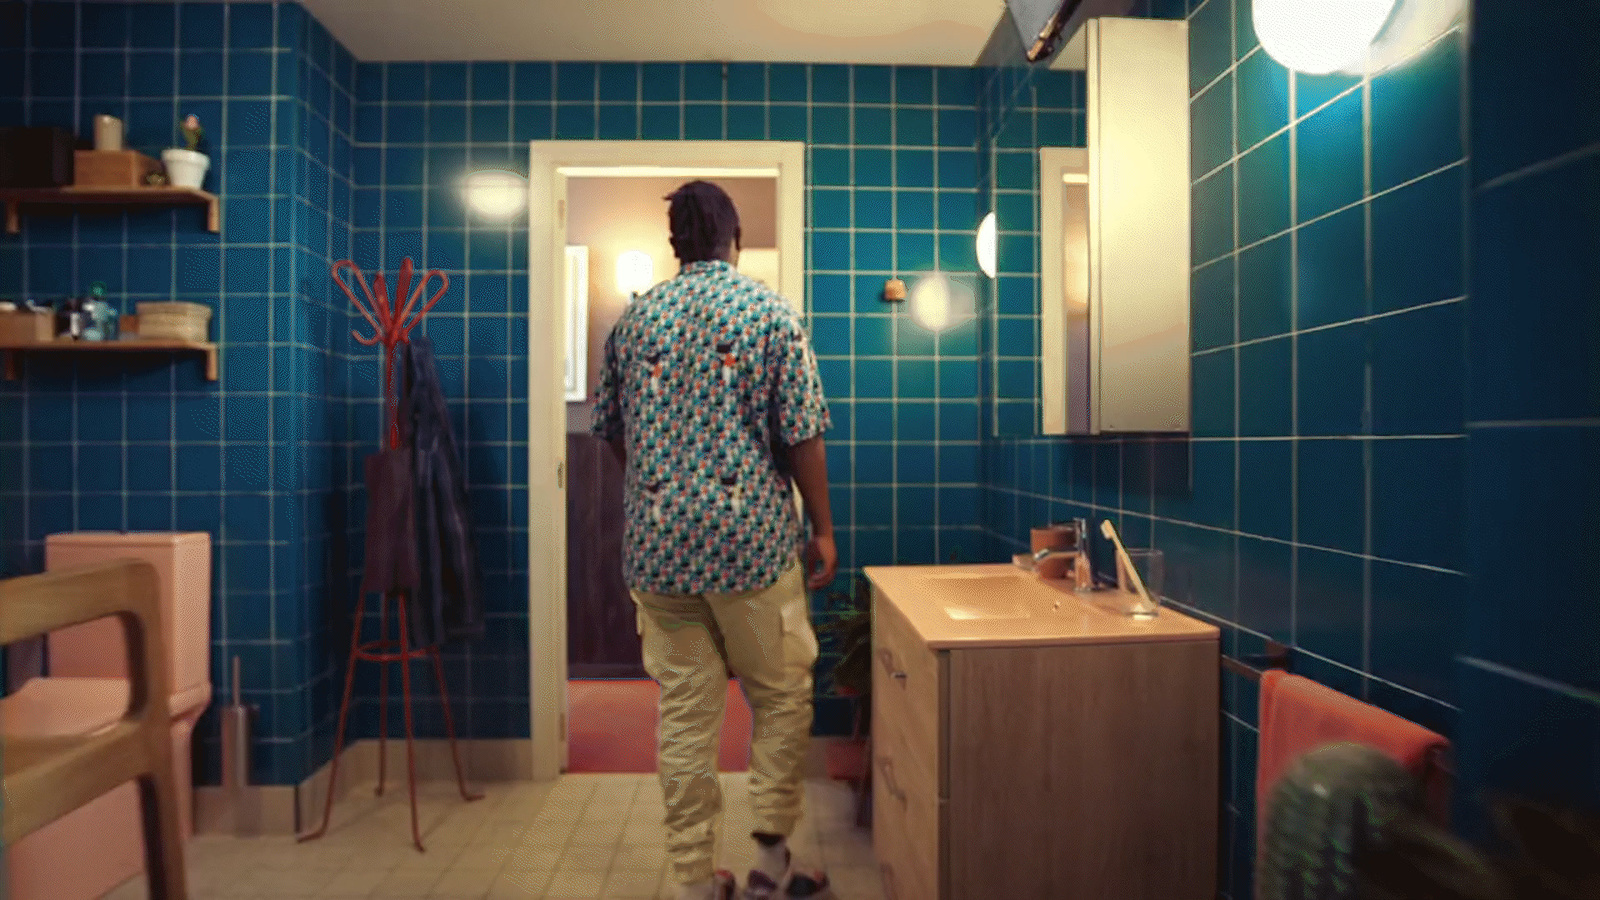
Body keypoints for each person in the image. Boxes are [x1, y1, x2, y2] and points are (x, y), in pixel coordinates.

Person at [591, 180, 838, 900]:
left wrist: (661, 486)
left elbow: (611, 432)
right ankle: (769, 863)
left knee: (686, 718)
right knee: (781, 698)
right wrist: (821, 528)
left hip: (659, 555)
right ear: (735, 238)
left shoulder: (634, 323)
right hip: (752, 550)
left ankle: (698, 881)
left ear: (675, 243)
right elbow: (803, 432)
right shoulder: (768, 312)